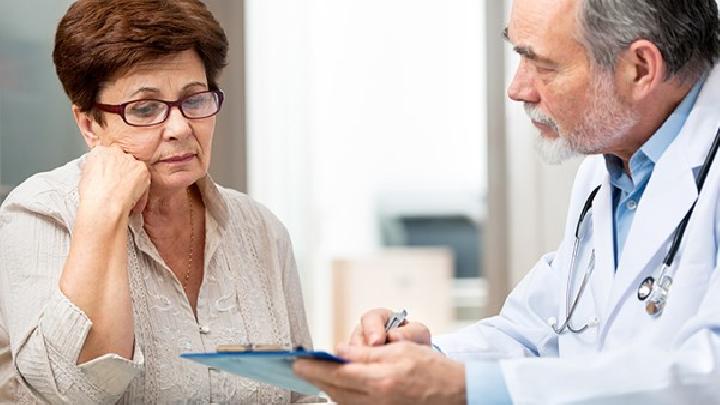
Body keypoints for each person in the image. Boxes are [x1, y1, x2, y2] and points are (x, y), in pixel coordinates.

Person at [294, 0, 720, 403]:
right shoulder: (611, 164)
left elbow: (707, 374)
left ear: (640, 69)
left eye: (543, 65)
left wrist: (464, 389)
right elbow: (539, 333)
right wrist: (427, 359)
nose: (518, 89)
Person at [0, 0, 313, 403]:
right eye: (145, 109)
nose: (180, 128)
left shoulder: (261, 229)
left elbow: (298, 396)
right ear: (90, 124)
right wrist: (101, 214)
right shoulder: (39, 214)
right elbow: (70, 392)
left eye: (195, 99)